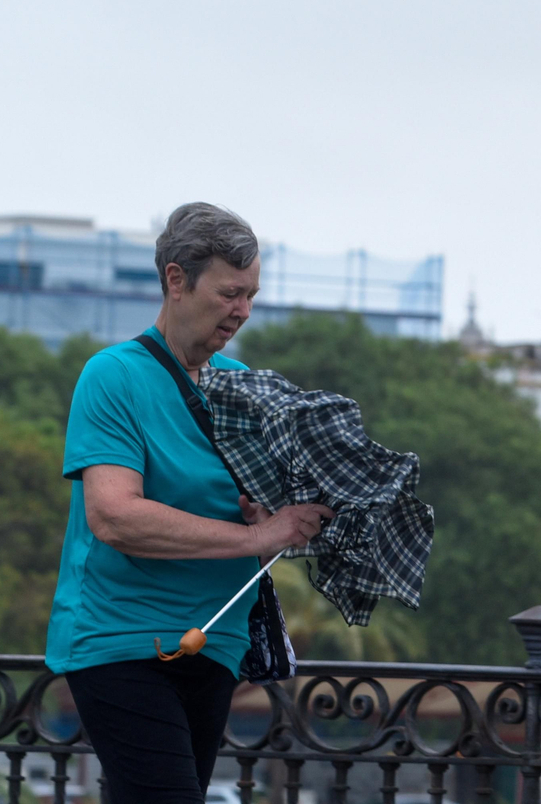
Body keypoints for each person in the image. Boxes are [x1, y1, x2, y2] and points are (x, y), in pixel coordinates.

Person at [46, 203, 334, 804]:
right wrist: (259, 537)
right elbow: (115, 516)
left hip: (215, 645)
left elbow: (260, 512)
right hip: (120, 642)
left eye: (252, 295)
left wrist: (280, 520)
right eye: (231, 293)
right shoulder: (112, 376)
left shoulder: (243, 382)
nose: (243, 312)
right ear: (177, 280)